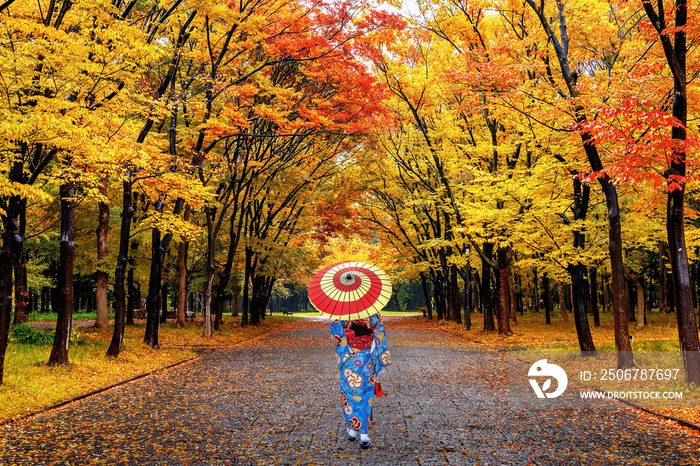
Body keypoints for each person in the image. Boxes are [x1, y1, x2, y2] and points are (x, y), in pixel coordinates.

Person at [330, 313, 391, 449]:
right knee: (364, 395)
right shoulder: (372, 311)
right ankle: (358, 432)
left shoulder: (341, 312)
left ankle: (358, 431)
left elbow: (336, 336)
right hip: (367, 359)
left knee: (349, 394)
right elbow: (379, 331)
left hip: (349, 358)